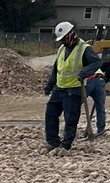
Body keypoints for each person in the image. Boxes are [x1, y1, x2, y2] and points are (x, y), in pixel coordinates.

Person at [43, 22, 102, 155]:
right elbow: (56, 68)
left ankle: (66, 145)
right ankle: (53, 142)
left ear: (71, 34)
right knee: (51, 113)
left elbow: (97, 62)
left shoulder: (84, 48)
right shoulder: (62, 49)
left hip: (74, 89)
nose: (63, 41)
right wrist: (50, 85)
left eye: (64, 38)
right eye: (61, 39)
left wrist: (84, 73)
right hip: (59, 88)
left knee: (70, 118)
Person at [85, 60, 110, 136]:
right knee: (100, 108)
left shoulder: (84, 59)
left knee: (75, 106)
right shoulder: (97, 61)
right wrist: (106, 79)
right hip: (99, 81)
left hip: (86, 82)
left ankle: (70, 130)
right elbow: (109, 63)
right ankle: (100, 129)